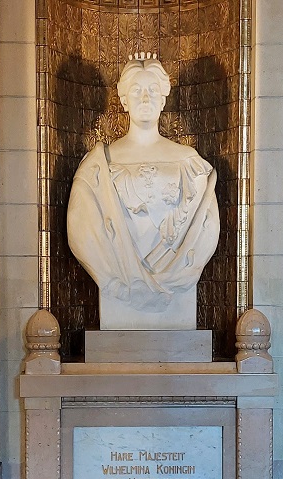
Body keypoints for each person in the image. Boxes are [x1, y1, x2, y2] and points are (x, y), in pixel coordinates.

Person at [67, 56, 220, 329]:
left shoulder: (189, 161)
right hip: (117, 290)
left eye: (153, 90)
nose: (145, 97)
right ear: (124, 100)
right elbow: (81, 230)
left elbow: (206, 229)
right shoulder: (99, 164)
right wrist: (112, 277)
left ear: (163, 98)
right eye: (137, 90)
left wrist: (188, 267)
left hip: (178, 291)